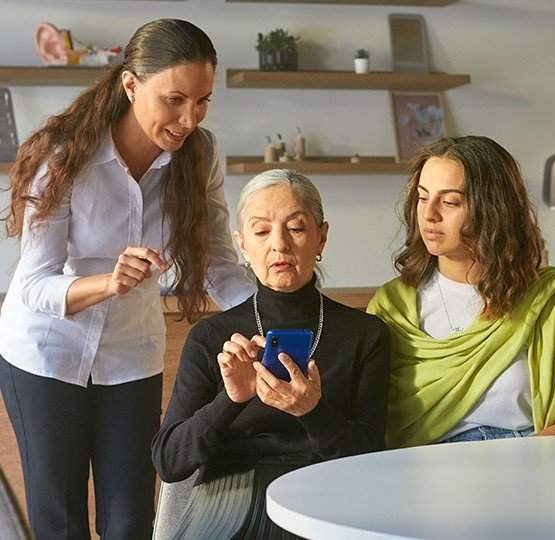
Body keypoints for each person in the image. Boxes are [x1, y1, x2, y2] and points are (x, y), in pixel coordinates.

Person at [0, 19, 254, 539]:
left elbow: (220, 267)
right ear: (131, 84)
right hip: (46, 352)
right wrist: (108, 283)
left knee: (130, 524)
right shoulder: (65, 154)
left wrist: (279, 309)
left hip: (130, 358)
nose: (189, 119)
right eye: (175, 99)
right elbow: (33, 285)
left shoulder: (199, 157)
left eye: (202, 101)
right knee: (62, 525)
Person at [152, 169, 390, 539]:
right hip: (228, 500)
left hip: (326, 497)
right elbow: (169, 461)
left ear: (321, 237)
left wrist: (313, 411)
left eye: (295, 228)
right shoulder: (211, 337)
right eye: (261, 231)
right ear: (242, 243)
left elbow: (372, 456)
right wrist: (230, 400)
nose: (279, 244)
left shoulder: (365, 334)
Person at [367, 135, 555, 448]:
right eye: (422, 197)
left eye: (451, 202)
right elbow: (368, 427)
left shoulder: (553, 301)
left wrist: (511, 465)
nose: (429, 214)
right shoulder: (391, 308)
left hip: (530, 463)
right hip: (428, 475)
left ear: (493, 211)